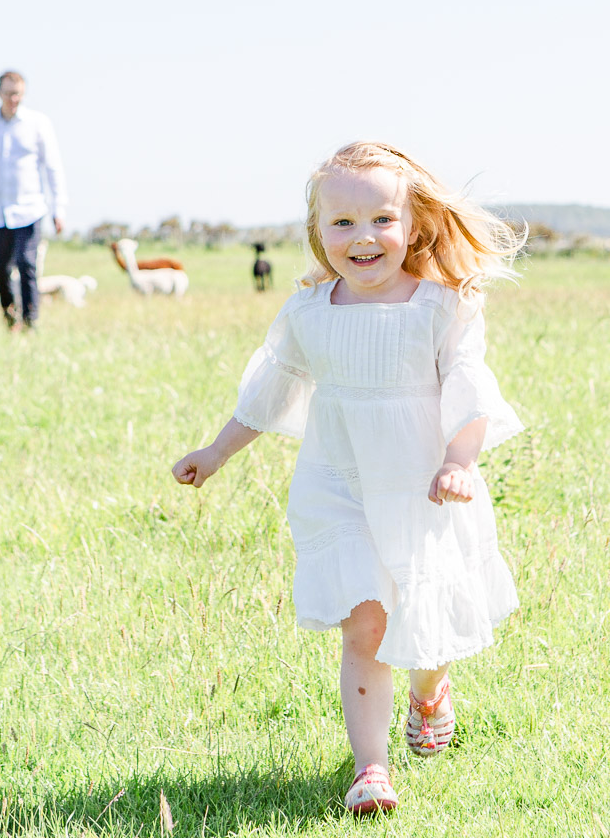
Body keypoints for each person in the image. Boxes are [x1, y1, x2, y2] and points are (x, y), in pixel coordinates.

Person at [172, 141, 525, 816]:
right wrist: (217, 452)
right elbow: (271, 390)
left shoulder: (440, 307)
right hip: (339, 484)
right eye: (341, 223)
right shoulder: (308, 313)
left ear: (412, 224)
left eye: (380, 221)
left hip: (423, 484)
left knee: (422, 620)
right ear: (318, 231)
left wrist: (459, 460)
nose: (362, 237)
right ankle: (371, 770)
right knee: (363, 624)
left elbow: (469, 388)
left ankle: (429, 692)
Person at [0, 71, 67, 330]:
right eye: (9, 93)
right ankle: (11, 319)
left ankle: (32, 321)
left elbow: (53, 166)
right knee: (1, 270)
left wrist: (59, 207)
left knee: (27, 264)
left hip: (30, 209)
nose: (13, 99)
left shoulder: (38, 123)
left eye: (18, 93)